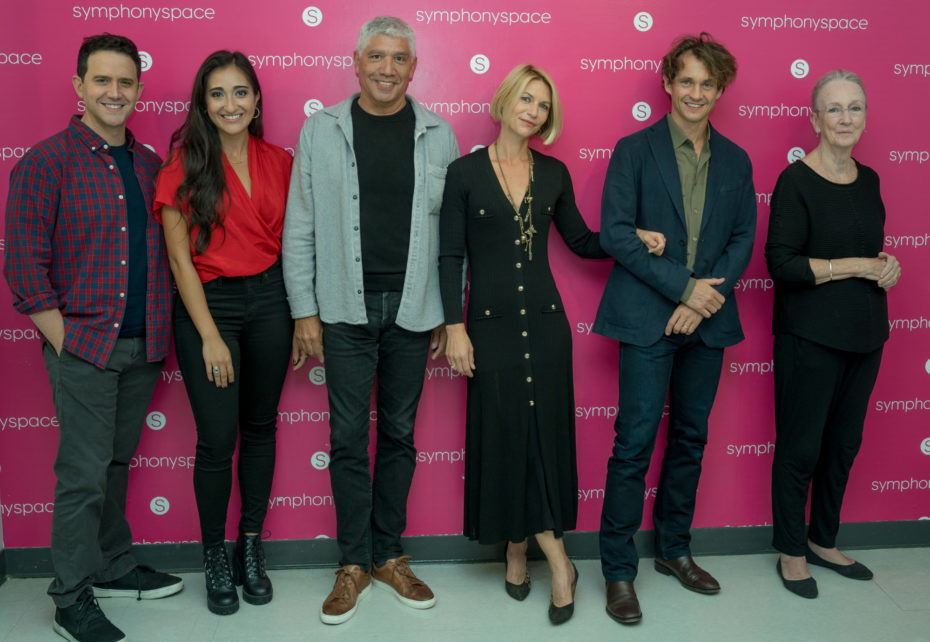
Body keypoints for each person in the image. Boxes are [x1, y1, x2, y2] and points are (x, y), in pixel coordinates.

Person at [439, 64, 664, 625]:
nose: (534, 110)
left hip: (545, 327)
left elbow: (585, 242)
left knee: (542, 438)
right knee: (505, 435)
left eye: (543, 104)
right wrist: (454, 326)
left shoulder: (555, 173)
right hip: (487, 328)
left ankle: (553, 560)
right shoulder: (463, 173)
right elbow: (449, 256)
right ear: (505, 100)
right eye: (526, 98)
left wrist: (629, 236)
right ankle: (521, 548)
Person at [3, 33, 183, 642]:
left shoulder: (150, 165)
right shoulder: (45, 162)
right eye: (102, 80)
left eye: (125, 82)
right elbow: (24, 265)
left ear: (138, 89)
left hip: (143, 346)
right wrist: (65, 340)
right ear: (79, 87)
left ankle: (110, 564)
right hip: (83, 346)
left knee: (113, 464)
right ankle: (70, 596)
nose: (114, 92)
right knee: (82, 474)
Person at [282, 16, 459, 624]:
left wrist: (444, 308)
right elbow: (299, 225)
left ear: (413, 67)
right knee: (346, 440)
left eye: (399, 58)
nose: (387, 68)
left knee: (401, 438)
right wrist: (304, 310)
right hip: (342, 311)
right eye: (376, 57)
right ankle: (352, 563)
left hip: (413, 311)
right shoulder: (321, 130)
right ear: (356, 62)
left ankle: (389, 555)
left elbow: (450, 235)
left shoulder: (440, 135)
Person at [594, 33, 756, 624]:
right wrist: (682, 289)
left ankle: (674, 549)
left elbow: (743, 239)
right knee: (633, 443)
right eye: (685, 80)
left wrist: (703, 299)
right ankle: (617, 569)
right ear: (667, 84)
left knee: (690, 438)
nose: (695, 92)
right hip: (646, 318)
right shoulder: (633, 150)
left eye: (706, 83)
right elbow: (614, 232)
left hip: (707, 323)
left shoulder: (736, 160)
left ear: (720, 90)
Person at [154, 51, 294, 615]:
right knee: (217, 439)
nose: (230, 104)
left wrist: (301, 312)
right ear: (202, 103)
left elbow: (297, 242)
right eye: (217, 93)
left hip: (271, 302)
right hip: (207, 306)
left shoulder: (280, 160)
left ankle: (250, 547)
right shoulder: (182, 164)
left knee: (260, 428)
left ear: (257, 100)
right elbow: (180, 261)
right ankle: (214, 554)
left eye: (240, 92)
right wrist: (210, 335)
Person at [765, 70, 900, 599]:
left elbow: (871, 249)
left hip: (867, 335)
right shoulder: (795, 181)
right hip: (810, 338)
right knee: (801, 448)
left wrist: (885, 265)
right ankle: (792, 551)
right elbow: (783, 265)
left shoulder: (870, 181)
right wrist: (858, 264)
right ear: (815, 119)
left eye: (855, 108)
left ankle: (824, 539)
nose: (846, 119)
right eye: (835, 109)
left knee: (843, 445)